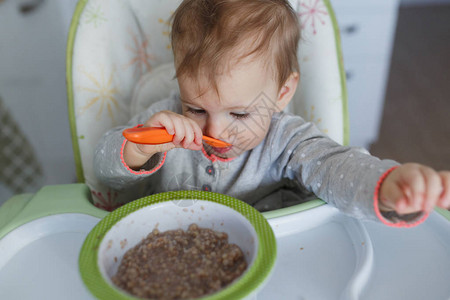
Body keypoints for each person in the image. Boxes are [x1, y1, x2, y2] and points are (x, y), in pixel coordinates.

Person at [94, 0, 450, 227]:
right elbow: (105, 173)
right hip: (173, 251)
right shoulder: (164, 121)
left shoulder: (288, 140)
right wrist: (138, 150)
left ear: (282, 93)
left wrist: (386, 184)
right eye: (197, 108)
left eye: (240, 114)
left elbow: (337, 168)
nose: (216, 130)